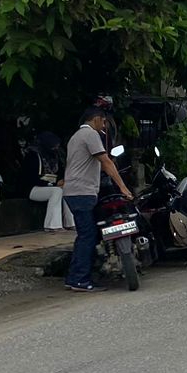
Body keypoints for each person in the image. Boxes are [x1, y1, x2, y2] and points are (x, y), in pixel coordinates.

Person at [61, 107, 132, 292]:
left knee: (85, 234)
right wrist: (123, 187)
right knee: (88, 235)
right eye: (103, 122)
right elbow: (105, 162)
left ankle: (74, 277)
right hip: (82, 192)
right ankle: (80, 280)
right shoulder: (91, 134)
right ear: (96, 119)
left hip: (74, 191)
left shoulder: (76, 136)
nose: (104, 126)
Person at [23, 131, 73, 231]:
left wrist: (61, 181)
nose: (56, 148)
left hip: (50, 186)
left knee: (67, 189)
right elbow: (31, 178)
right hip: (33, 188)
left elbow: (59, 173)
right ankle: (52, 225)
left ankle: (71, 223)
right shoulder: (33, 156)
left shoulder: (54, 156)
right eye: (53, 146)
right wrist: (53, 183)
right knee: (57, 191)